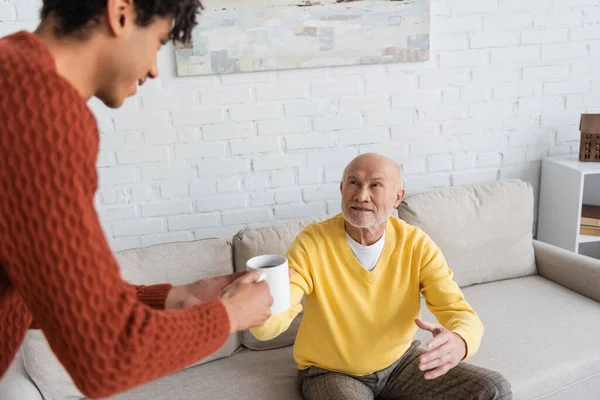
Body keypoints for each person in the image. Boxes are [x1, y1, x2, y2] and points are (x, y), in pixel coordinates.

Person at [0, 0, 273, 398]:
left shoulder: (11, 72)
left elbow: (45, 287)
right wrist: (229, 316)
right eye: (158, 41)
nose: (153, 69)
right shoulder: (42, 109)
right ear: (121, 12)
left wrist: (174, 298)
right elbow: (107, 355)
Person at [250, 153, 513, 399]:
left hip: (400, 364)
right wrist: (262, 302)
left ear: (397, 196)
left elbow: (458, 311)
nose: (361, 195)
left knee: (492, 389)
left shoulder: (416, 245)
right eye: (354, 183)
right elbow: (267, 329)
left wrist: (461, 341)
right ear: (342, 189)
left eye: (375, 186)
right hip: (330, 371)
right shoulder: (312, 242)